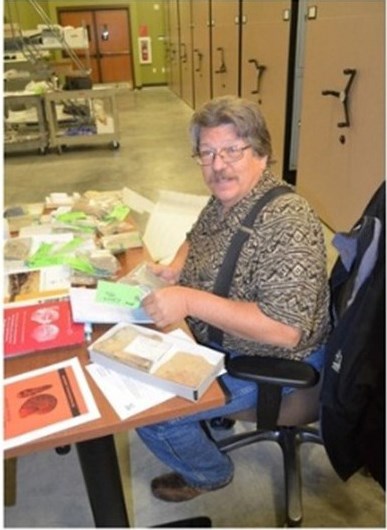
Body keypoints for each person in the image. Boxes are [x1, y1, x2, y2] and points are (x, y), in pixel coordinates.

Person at [138, 95, 330, 502]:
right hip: (219, 341)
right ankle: (213, 416)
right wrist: (174, 269)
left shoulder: (286, 220)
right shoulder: (230, 196)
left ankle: (210, 474)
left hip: (274, 363)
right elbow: (198, 235)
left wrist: (188, 301)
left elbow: (285, 331)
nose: (217, 165)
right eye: (206, 153)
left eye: (231, 151)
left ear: (260, 152)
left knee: (150, 409)